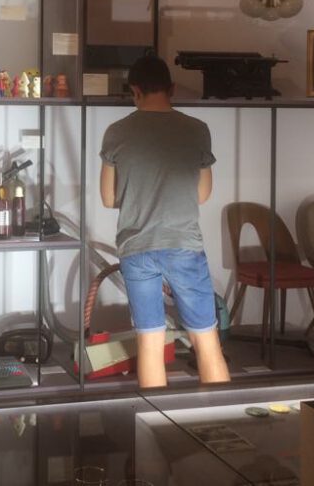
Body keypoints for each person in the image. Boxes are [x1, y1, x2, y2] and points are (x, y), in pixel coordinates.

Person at [99, 55, 230, 387]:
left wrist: (139, 193)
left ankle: (154, 419)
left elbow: (108, 198)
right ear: (171, 89)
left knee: (150, 341)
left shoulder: (116, 132)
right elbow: (202, 194)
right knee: (206, 340)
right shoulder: (197, 130)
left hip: (136, 247)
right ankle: (222, 413)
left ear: (135, 90)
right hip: (183, 245)